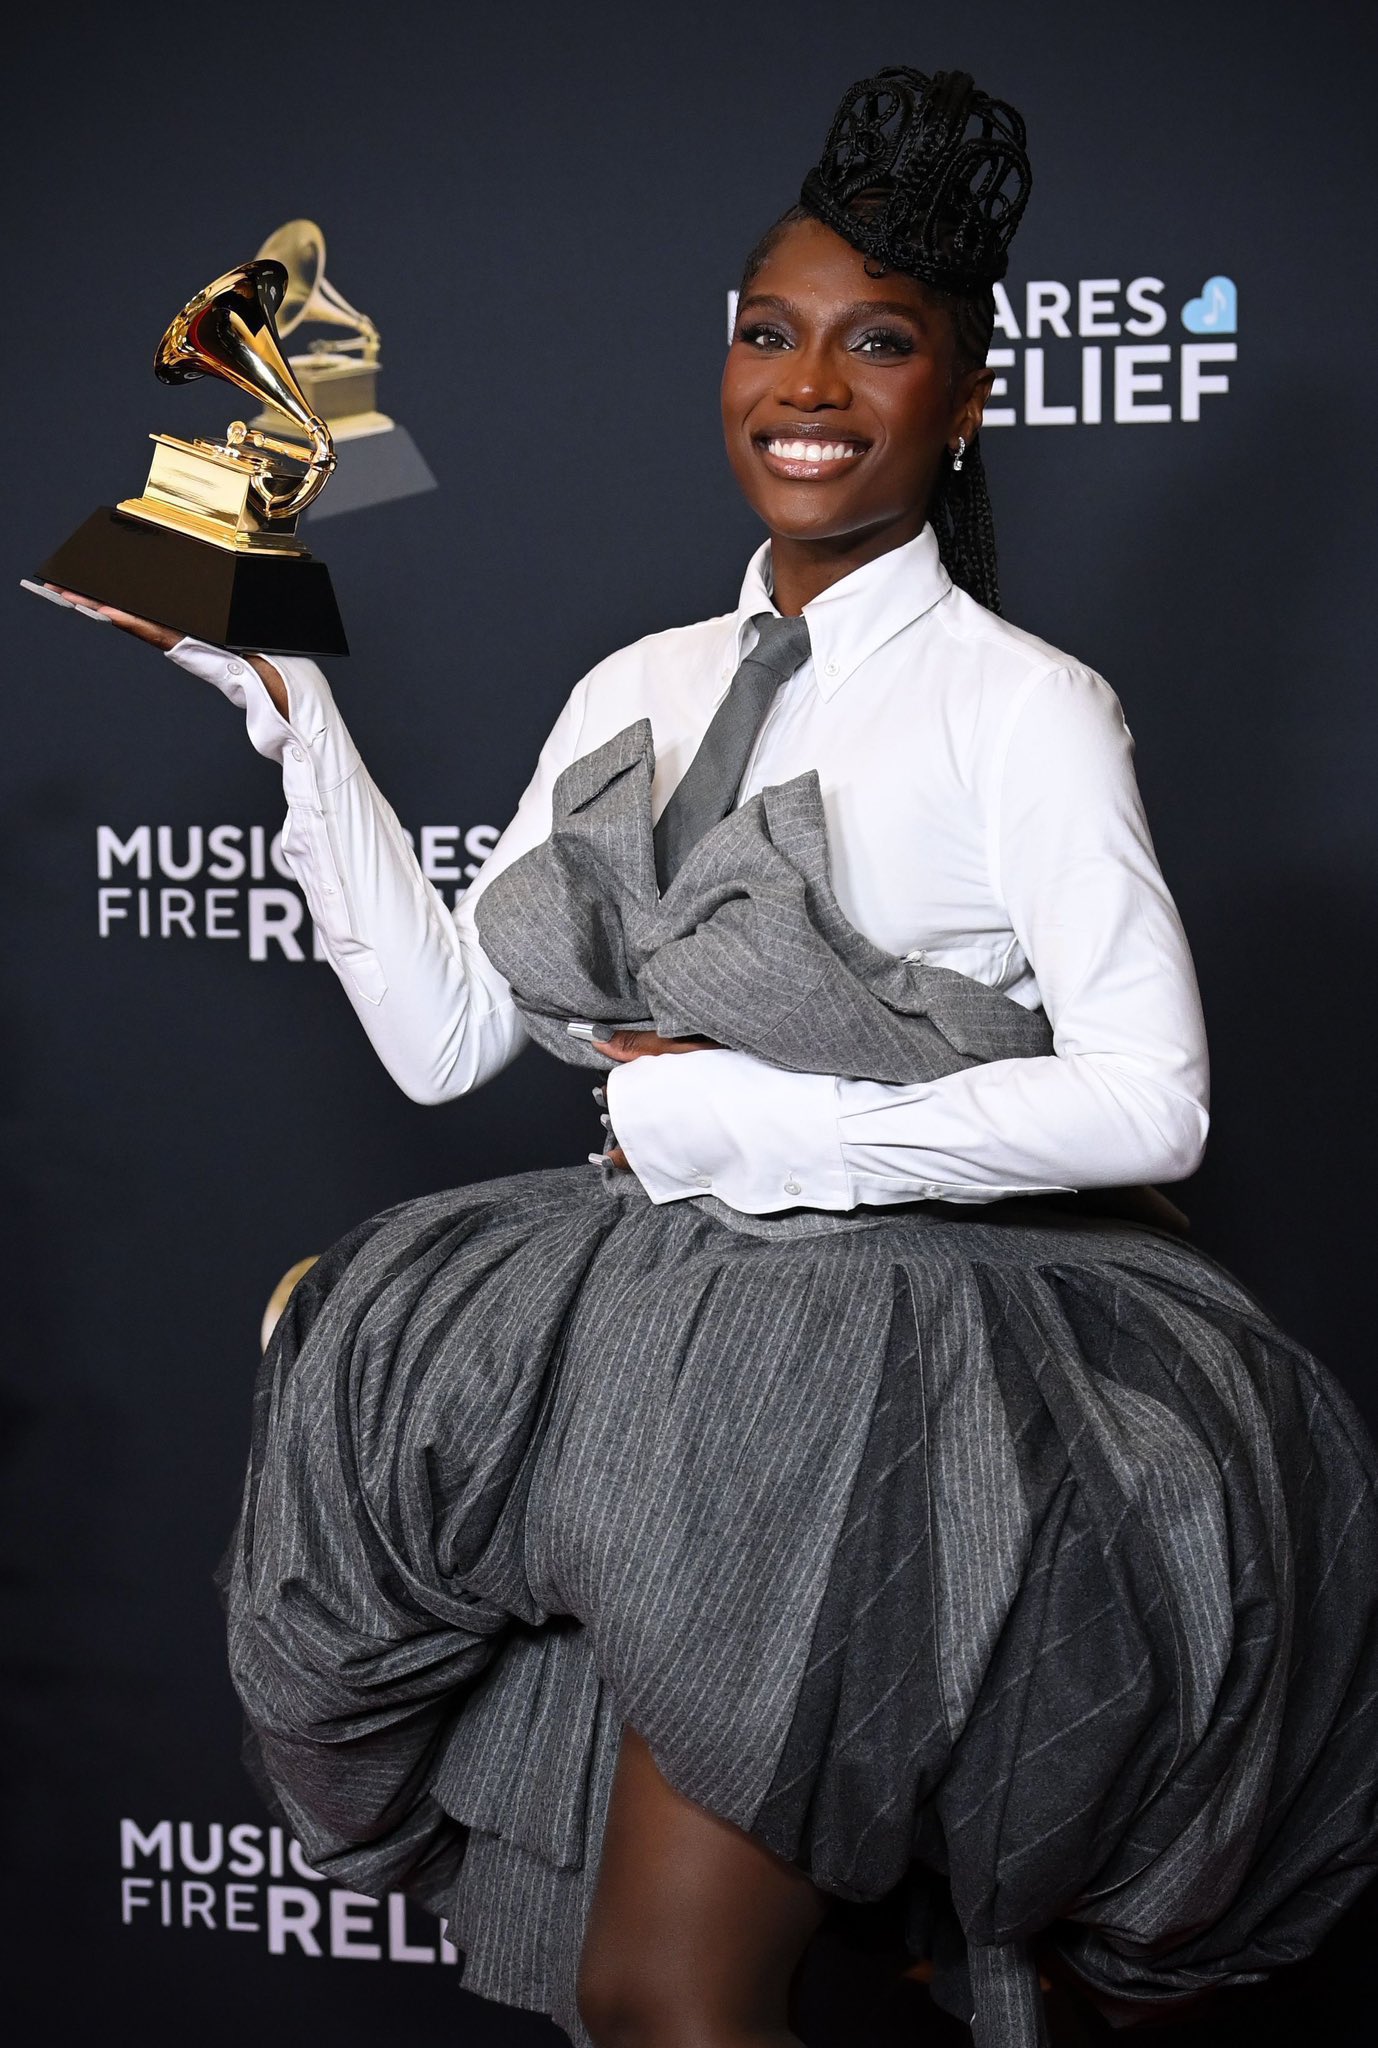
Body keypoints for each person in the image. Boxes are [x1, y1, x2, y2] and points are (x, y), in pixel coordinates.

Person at [48, 64, 1378, 2048]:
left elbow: (1146, 1095)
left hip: (890, 1376)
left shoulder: (1026, 711)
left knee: (665, 1988)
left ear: (965, 393)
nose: (807, 388)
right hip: (641, 1355)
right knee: (644, 1993)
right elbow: (442, 1043)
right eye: (769, 335)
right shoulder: (635, 683)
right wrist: (293, 716)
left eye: (876, 342)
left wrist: (755, 1122)